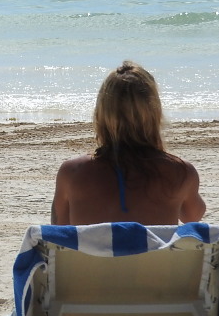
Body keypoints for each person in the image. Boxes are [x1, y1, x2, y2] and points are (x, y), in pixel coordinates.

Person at [50, 61, 205, 225]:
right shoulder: (181, 172)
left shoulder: (72, 172)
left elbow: (59, 229)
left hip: (93, 243)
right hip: (153, 244)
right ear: (155, 113)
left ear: (101, 114)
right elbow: (192, 217)